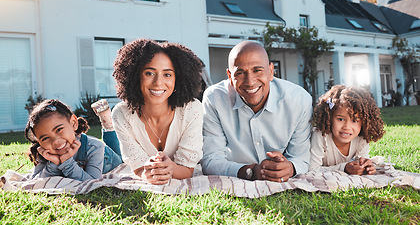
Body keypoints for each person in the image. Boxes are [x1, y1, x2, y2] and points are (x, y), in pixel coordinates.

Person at [201, 40, 313, 182]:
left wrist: (290, 168)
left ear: (271, 71)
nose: (250, 82)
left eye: (257, 70)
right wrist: (250, 171)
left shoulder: (299, 100)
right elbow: (210, 161)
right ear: (230, 76)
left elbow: (301, 158)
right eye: (240, 73)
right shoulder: (214, 99)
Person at [111, 38, 204, 185]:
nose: (158, 83)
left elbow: (187, 169)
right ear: (135, 76)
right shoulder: (121, 114)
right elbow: (139, 168)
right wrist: (148, 174)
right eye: (149, 73)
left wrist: (170, 168)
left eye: (167, 74)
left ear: (177, 80)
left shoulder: (192, 109)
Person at [24, 99, 123, 181]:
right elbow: (35, 181)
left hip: (107, 157)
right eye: (45, 138)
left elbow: (92, 181)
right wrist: (54, 163)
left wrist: (66, 162)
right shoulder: (45, 152)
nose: (55, 141)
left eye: (59, 129)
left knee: (120, 157)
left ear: (73, 123)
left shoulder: (94, 147)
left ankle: (108, 125)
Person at [310, 85, 385, 175]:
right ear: (329, 117)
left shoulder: (361, 137)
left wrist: (365, 167)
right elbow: (312, 169)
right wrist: (344, 168)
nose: (347, 127)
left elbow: (360, 162)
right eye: (340, 119)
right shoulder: (320, 135)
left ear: (364, 122)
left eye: (355, 121)